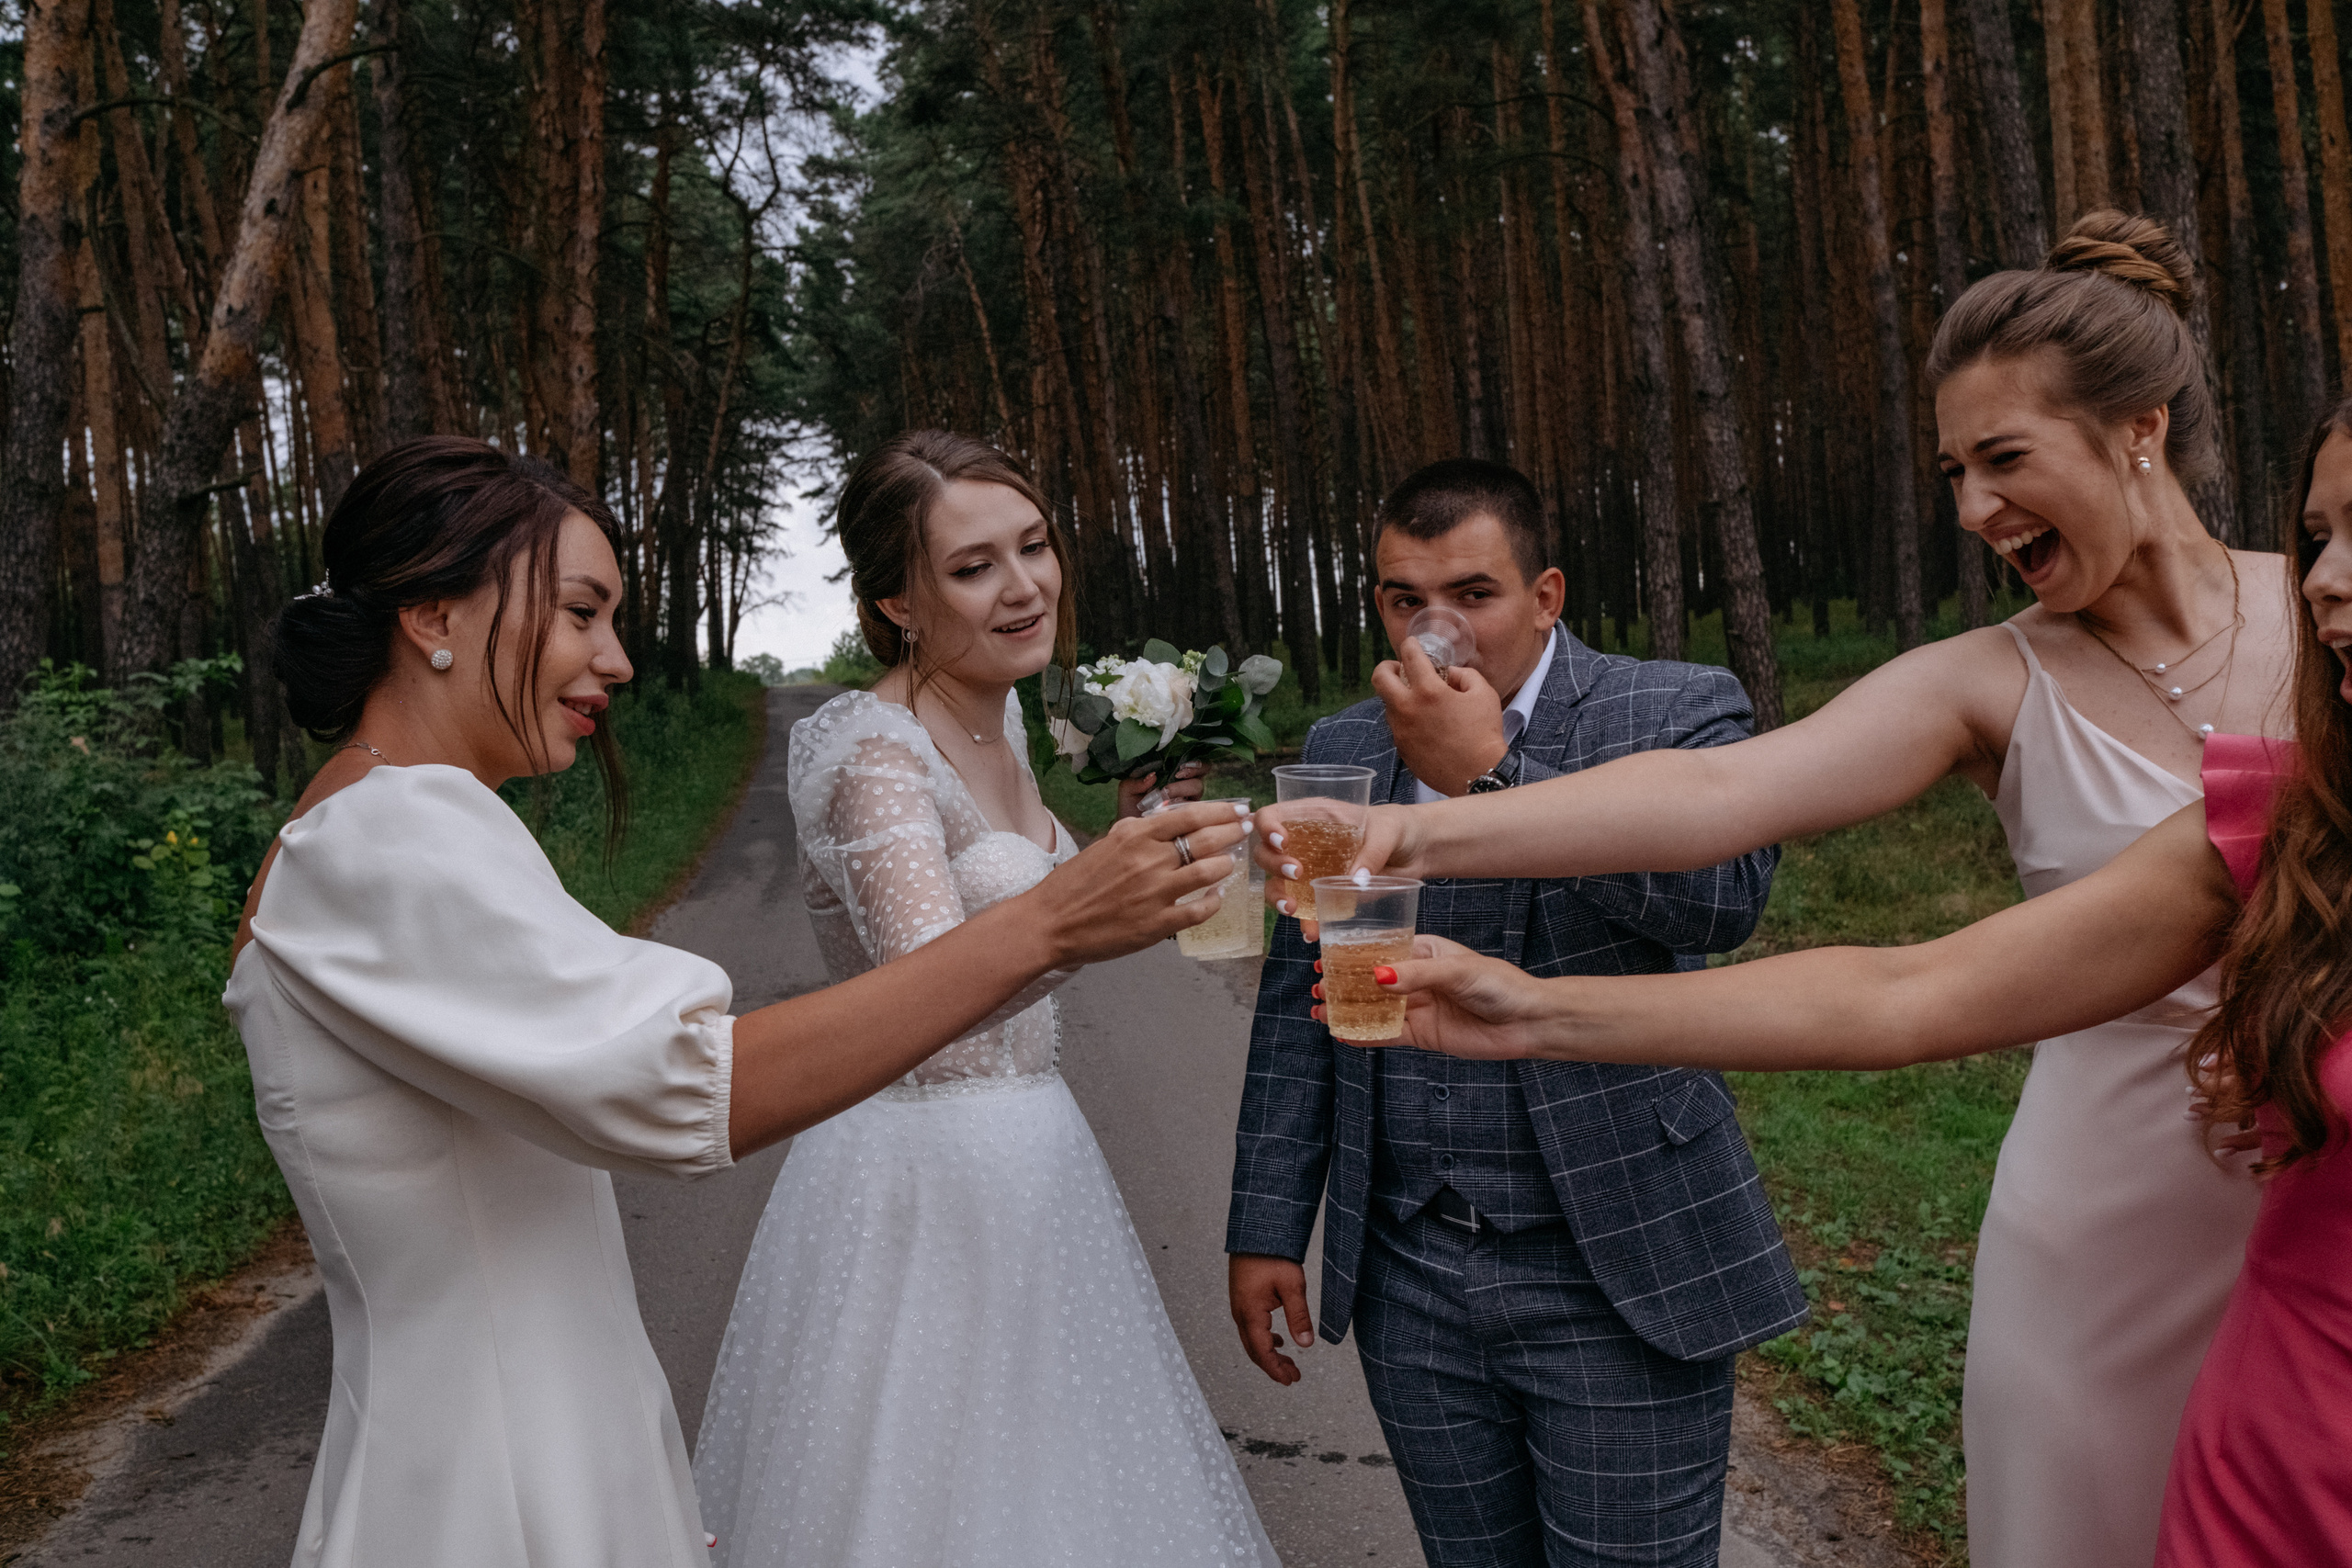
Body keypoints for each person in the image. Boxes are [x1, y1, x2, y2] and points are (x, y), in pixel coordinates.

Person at [1255, 211, 2293, 1568]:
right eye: (1953, 473)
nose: (1975, 511)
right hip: (2101, 1216)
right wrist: (1413, 837)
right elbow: (1725, 808)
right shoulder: (1985, 674)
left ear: (2139, 427)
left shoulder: (2322, 613)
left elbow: (1717, 880)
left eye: (2004, 459)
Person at [231, 436, 1249, 1568]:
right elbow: (682, 1086)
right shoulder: (390, 836)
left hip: (541, 1440)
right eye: (579, 613)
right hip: (498, 1486)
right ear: (433, 619)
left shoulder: (385, 822)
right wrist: (1054, 917)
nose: (614, 661)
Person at [690, 431, 1279, 1568]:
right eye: (972, 568)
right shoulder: (873, 755)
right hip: (920, 1181)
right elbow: (941, 993)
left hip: (1034, 1156)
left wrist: (1128, 851)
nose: (1024, 588)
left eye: (1035, 547)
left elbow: (1032, 937)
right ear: (897, 600)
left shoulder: (996, 716)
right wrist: (1095, 891)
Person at [1227, 457, 1797, 1568]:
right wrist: (1264, 1221)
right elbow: (1306, 1003)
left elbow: (1721, 905)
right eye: (1404, 602)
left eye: (1474, 596)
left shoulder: (1671, 707)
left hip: (1613, 1264)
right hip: (1409, 1270)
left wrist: (1495, 770)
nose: (1435, 633)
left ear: (1545, 595)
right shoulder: (1346, 749)